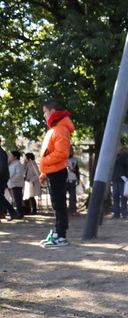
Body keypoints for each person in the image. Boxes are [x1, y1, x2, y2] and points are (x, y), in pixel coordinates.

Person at [39, 100, 74, 247]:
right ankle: (58, 232)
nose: (44, 116)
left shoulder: (60, 129)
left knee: (58, 204)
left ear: (52, 111)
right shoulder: (56, 128)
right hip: (53, 171)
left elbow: (61, 153)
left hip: (57, 171)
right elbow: (52, 152)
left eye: (45, 112)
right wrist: (44, 172)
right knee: (56, 204)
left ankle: (61, 236)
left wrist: (44, 162)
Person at [111, 142, 128, 219]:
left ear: (120, 147)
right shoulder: (113, 156)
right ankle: (116, 213)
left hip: (123, 179)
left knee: (124, 197)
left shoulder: (125, 155)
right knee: (115, 197)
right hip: (115, 179)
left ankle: (124, 213)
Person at [0, 144, 20, 221]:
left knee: (0, 197)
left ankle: (12, 212)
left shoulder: (1, 152)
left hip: (1, 178)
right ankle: (10, 212)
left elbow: (2, 167)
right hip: (2, 177)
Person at [8, 151, 25, 219]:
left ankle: (20, 213)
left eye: (11, 155)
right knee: (16, 199)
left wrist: (13, 180)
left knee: (18, 199)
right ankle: (19, 213)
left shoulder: (18, 164)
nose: (9, 157)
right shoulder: (12, 164)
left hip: (17, 184)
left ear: (15, 157)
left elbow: (19, 174)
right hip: (13, 184)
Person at [66, 149, 80, 215]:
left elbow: (77, 170)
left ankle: (72, 209)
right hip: (64, 179)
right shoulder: (62, 159)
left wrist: (78, 178)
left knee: (72, 196)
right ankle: (64, 210)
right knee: (63, 195)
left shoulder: (74, 160)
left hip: (72, 179)